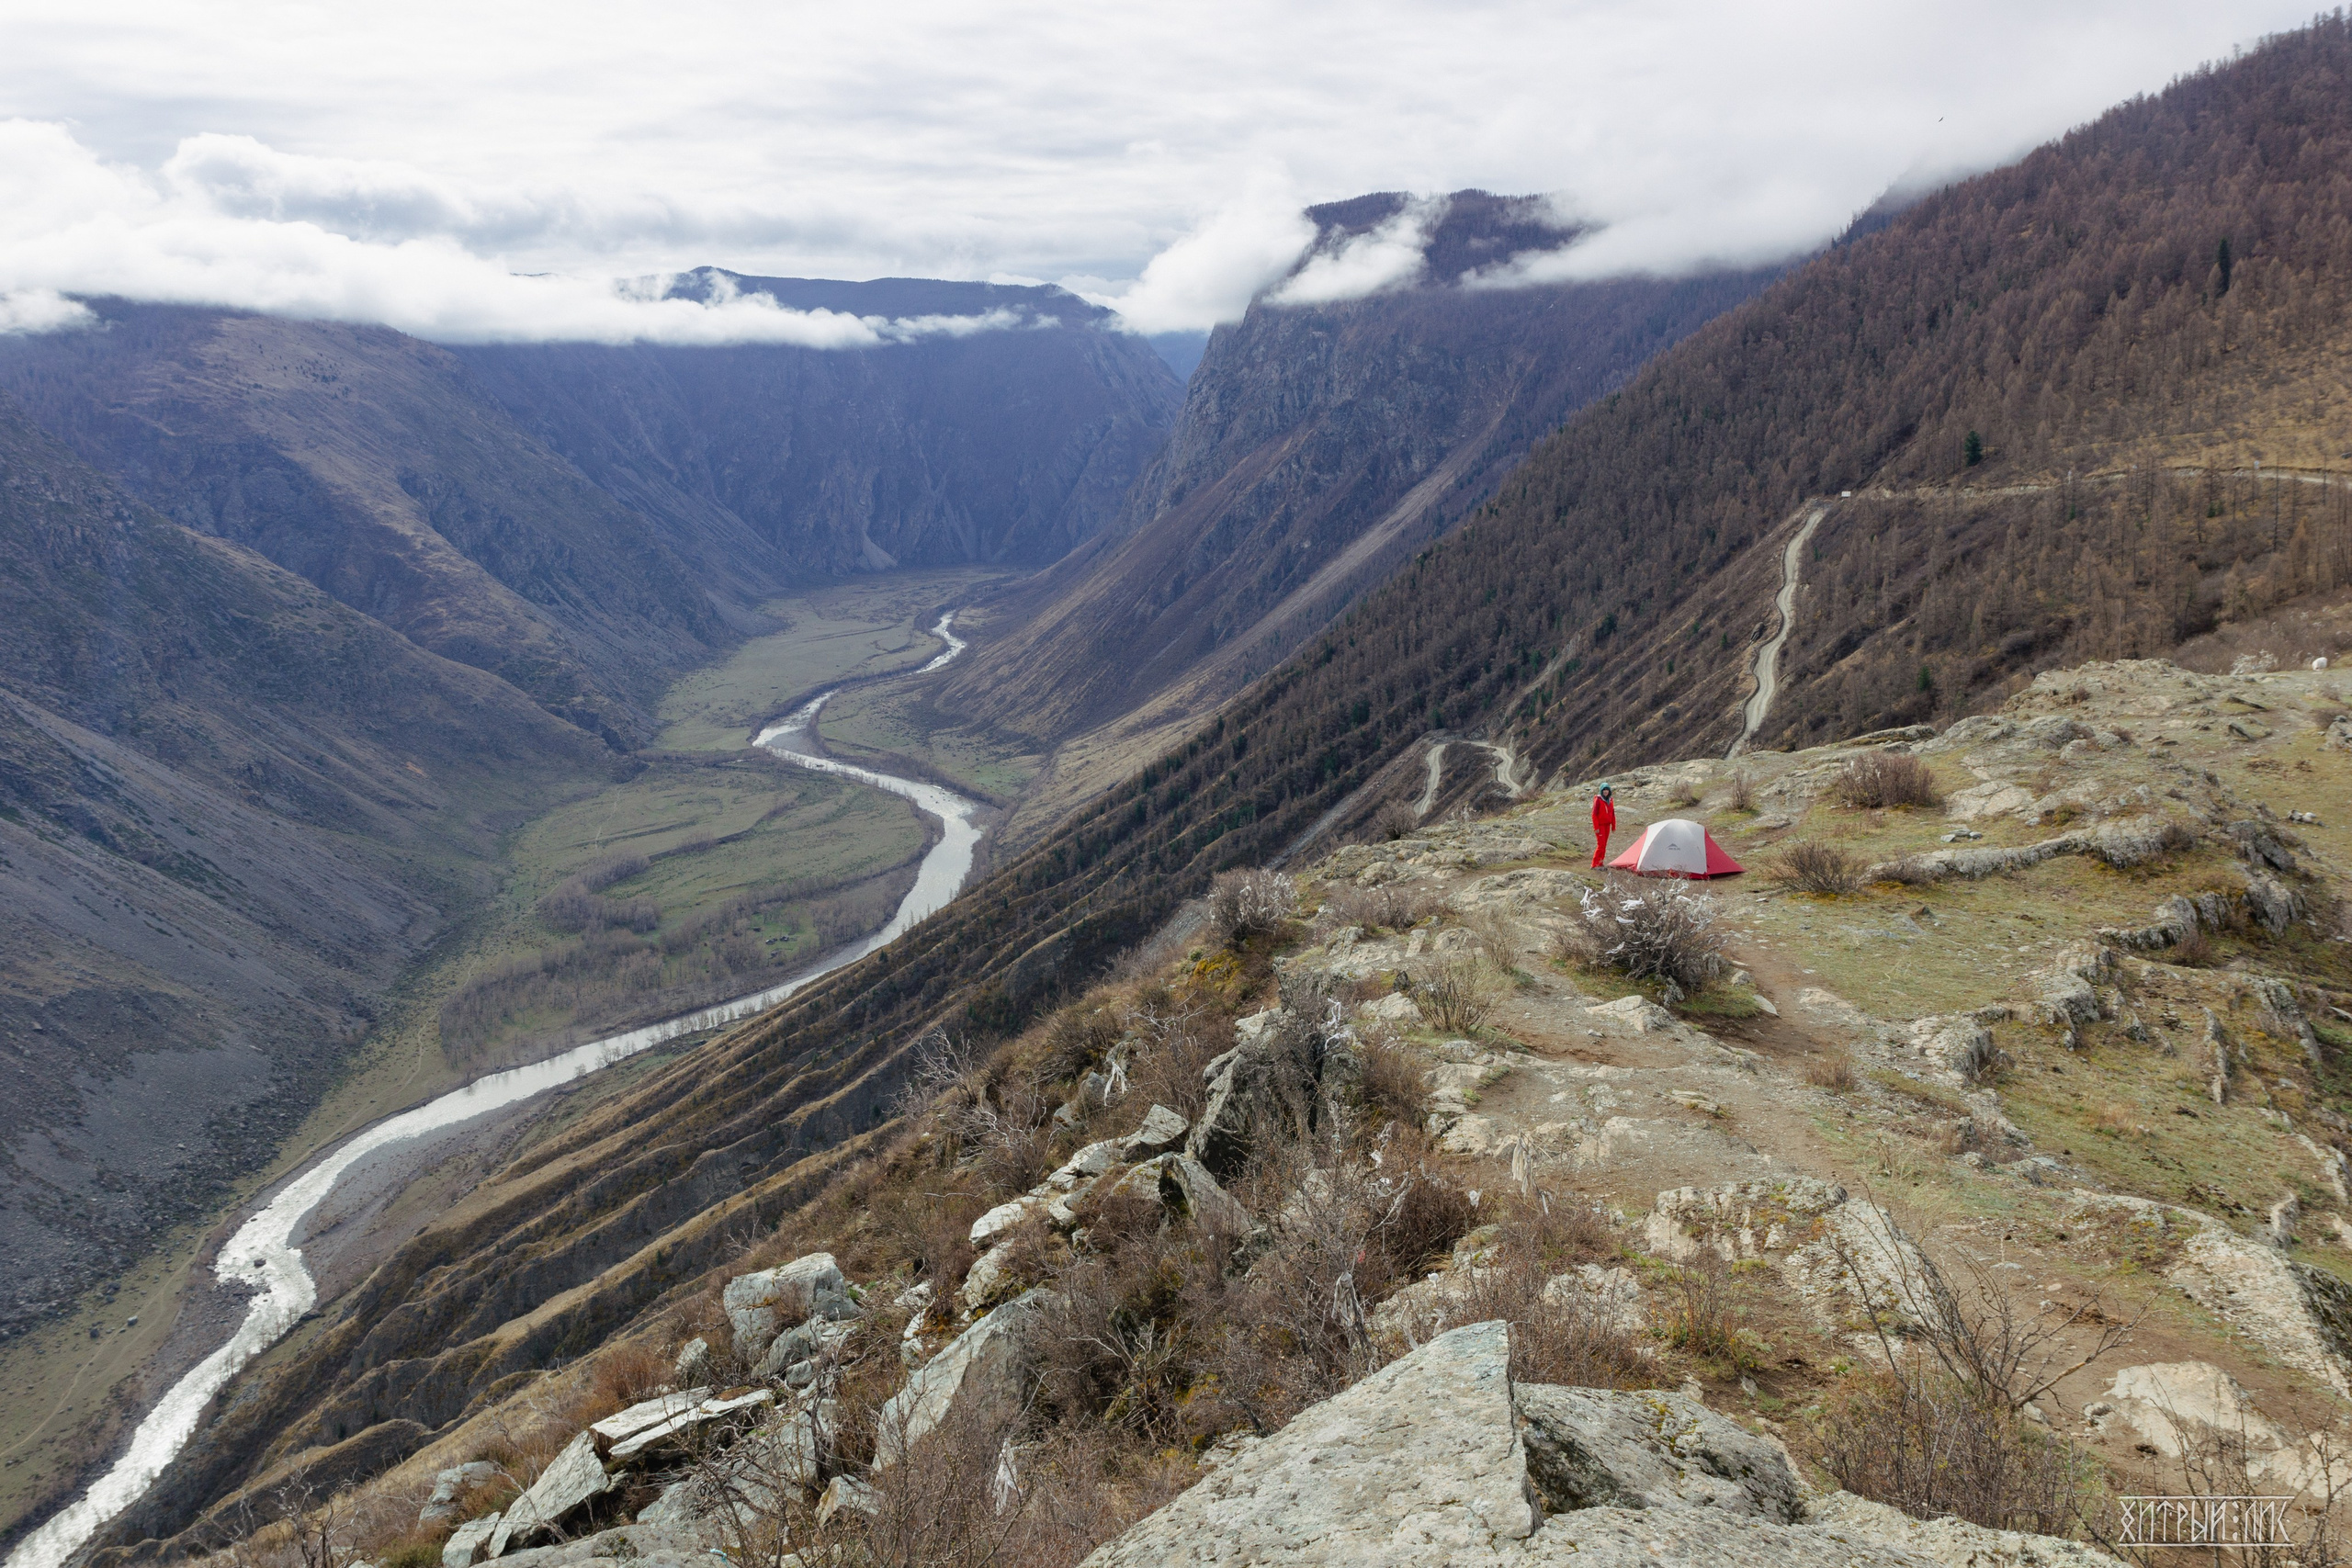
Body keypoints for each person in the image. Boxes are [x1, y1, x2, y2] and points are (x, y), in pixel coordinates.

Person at [1590, 784, 1616, 868]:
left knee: (1604, 845)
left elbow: (1612, 813)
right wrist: (1596, 827)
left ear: (1609, 791)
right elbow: (1594, 814)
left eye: (1607, 790)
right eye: (1604, 790)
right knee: (1601, 845)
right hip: (1600, 826)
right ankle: (1594, 864)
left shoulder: (1610, 800)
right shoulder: (1598, 800)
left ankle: (1600, 863)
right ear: (1601, 791)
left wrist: (1613, 825)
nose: (1605, 791)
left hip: (1607, 826)